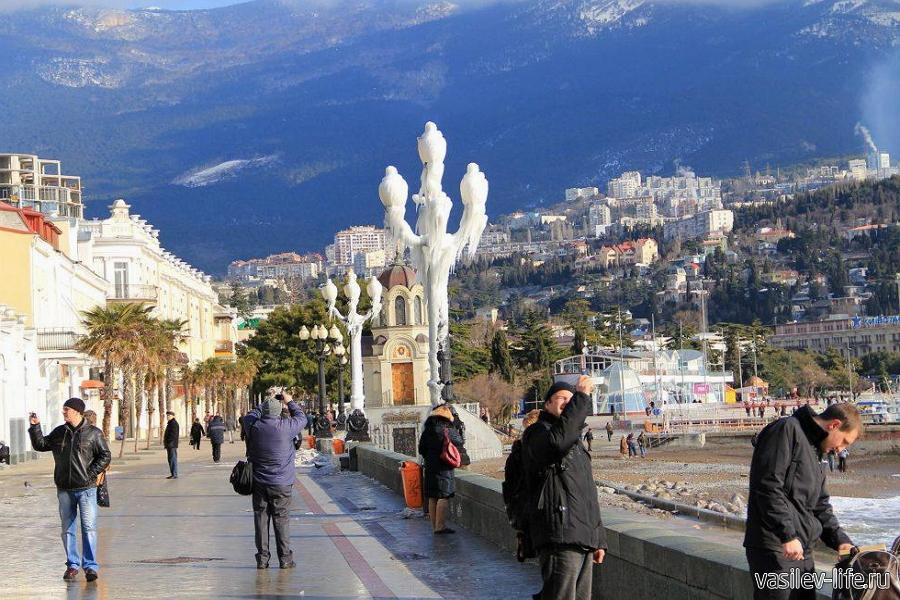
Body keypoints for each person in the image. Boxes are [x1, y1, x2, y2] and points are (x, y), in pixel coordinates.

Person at [744, 403, 861, 600]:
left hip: (802, 549)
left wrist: (841, 540)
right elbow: (767, 487)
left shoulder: (816, 449)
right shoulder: (786, 429)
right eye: (844, 441)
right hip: (776, 547)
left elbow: (820, 504)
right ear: (834, 425)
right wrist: (787, 536)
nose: (840, 449)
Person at [521, 376, 606, 599]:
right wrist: (581, 396)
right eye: (562, 398)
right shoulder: (537, 433)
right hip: (559, 533)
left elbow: (587, 493)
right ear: (547, 404)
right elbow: (557, 442)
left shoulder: (575, 443)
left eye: (571, 399)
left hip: (582, 535)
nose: (568, 403)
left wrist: (598, 538)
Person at [29, 398, 111, 582]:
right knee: (67, 528)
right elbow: (41, 445)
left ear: (77, 411)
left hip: (87, 489)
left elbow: (105, 455)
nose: (63, 412)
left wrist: (90, 474)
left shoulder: (93, 433)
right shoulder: (60, 432)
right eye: (63, 409)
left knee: (89, 528)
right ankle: (72, 565)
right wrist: (35, 427)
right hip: (65, 489)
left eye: (66, 409)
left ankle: (90, 567)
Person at [243, 389, 306, 569]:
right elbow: (302, 417)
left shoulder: (253, 426)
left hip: (259, 482)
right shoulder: (287, 427)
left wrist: (265, 402)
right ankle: (285, 559)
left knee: (261, 520)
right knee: (281, 520)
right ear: (279, 412)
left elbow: (249, 416)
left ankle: (262, 559)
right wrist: (290, 401)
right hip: (282, 483)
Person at [418, 403, 464, 535]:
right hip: (444, 466)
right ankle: (440, 526)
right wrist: (455, 426)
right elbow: (459, 441)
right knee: (444, 495)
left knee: (433, 496)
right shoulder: (447, 429)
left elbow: (421, 449)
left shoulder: (428, 429)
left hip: (430, 466)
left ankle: (434, 526)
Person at [163, 411, 179, 479]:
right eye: (167, 415)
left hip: (172, 445)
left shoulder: (173, 424)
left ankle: (174, 474)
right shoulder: (170, 423)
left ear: (173, 416)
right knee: (171, 459)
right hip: (170, 444)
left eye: (169, 415)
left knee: (172, 459)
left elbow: (173, 435)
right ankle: (173, 473)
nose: (167, 417)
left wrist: (169, 442)